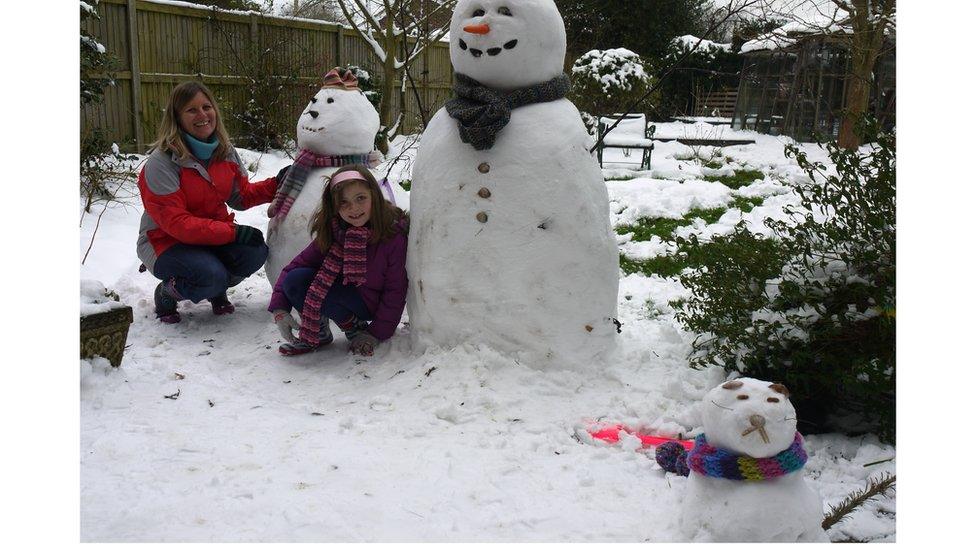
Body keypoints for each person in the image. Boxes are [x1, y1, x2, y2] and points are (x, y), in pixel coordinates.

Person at [136, 81, 287, 323]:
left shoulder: (224, 152)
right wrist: (232, 233)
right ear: (177, 118)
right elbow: (178, 224)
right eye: (192, 110)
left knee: (255, 252)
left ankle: (214, 286)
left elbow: (240, 196)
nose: (203, 115)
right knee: (210, 275)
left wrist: (276, 183)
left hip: (210, 237)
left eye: (207, 107)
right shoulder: (162, 162)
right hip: (165, 242)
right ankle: (168, 292)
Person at [269, 164, 408, 357]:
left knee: (323, 289)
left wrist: (376, 333)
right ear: (334, 206)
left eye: (361, 198)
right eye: (344, 203)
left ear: (374, 195)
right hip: (343, 291)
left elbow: (395, 291)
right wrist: (279, 308)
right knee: (296, 280)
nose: (354, 208)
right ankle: (318, 332)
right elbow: (294, 267)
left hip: (370, 303)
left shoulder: (392, 235)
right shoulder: (335, 231)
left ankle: (354, 326)